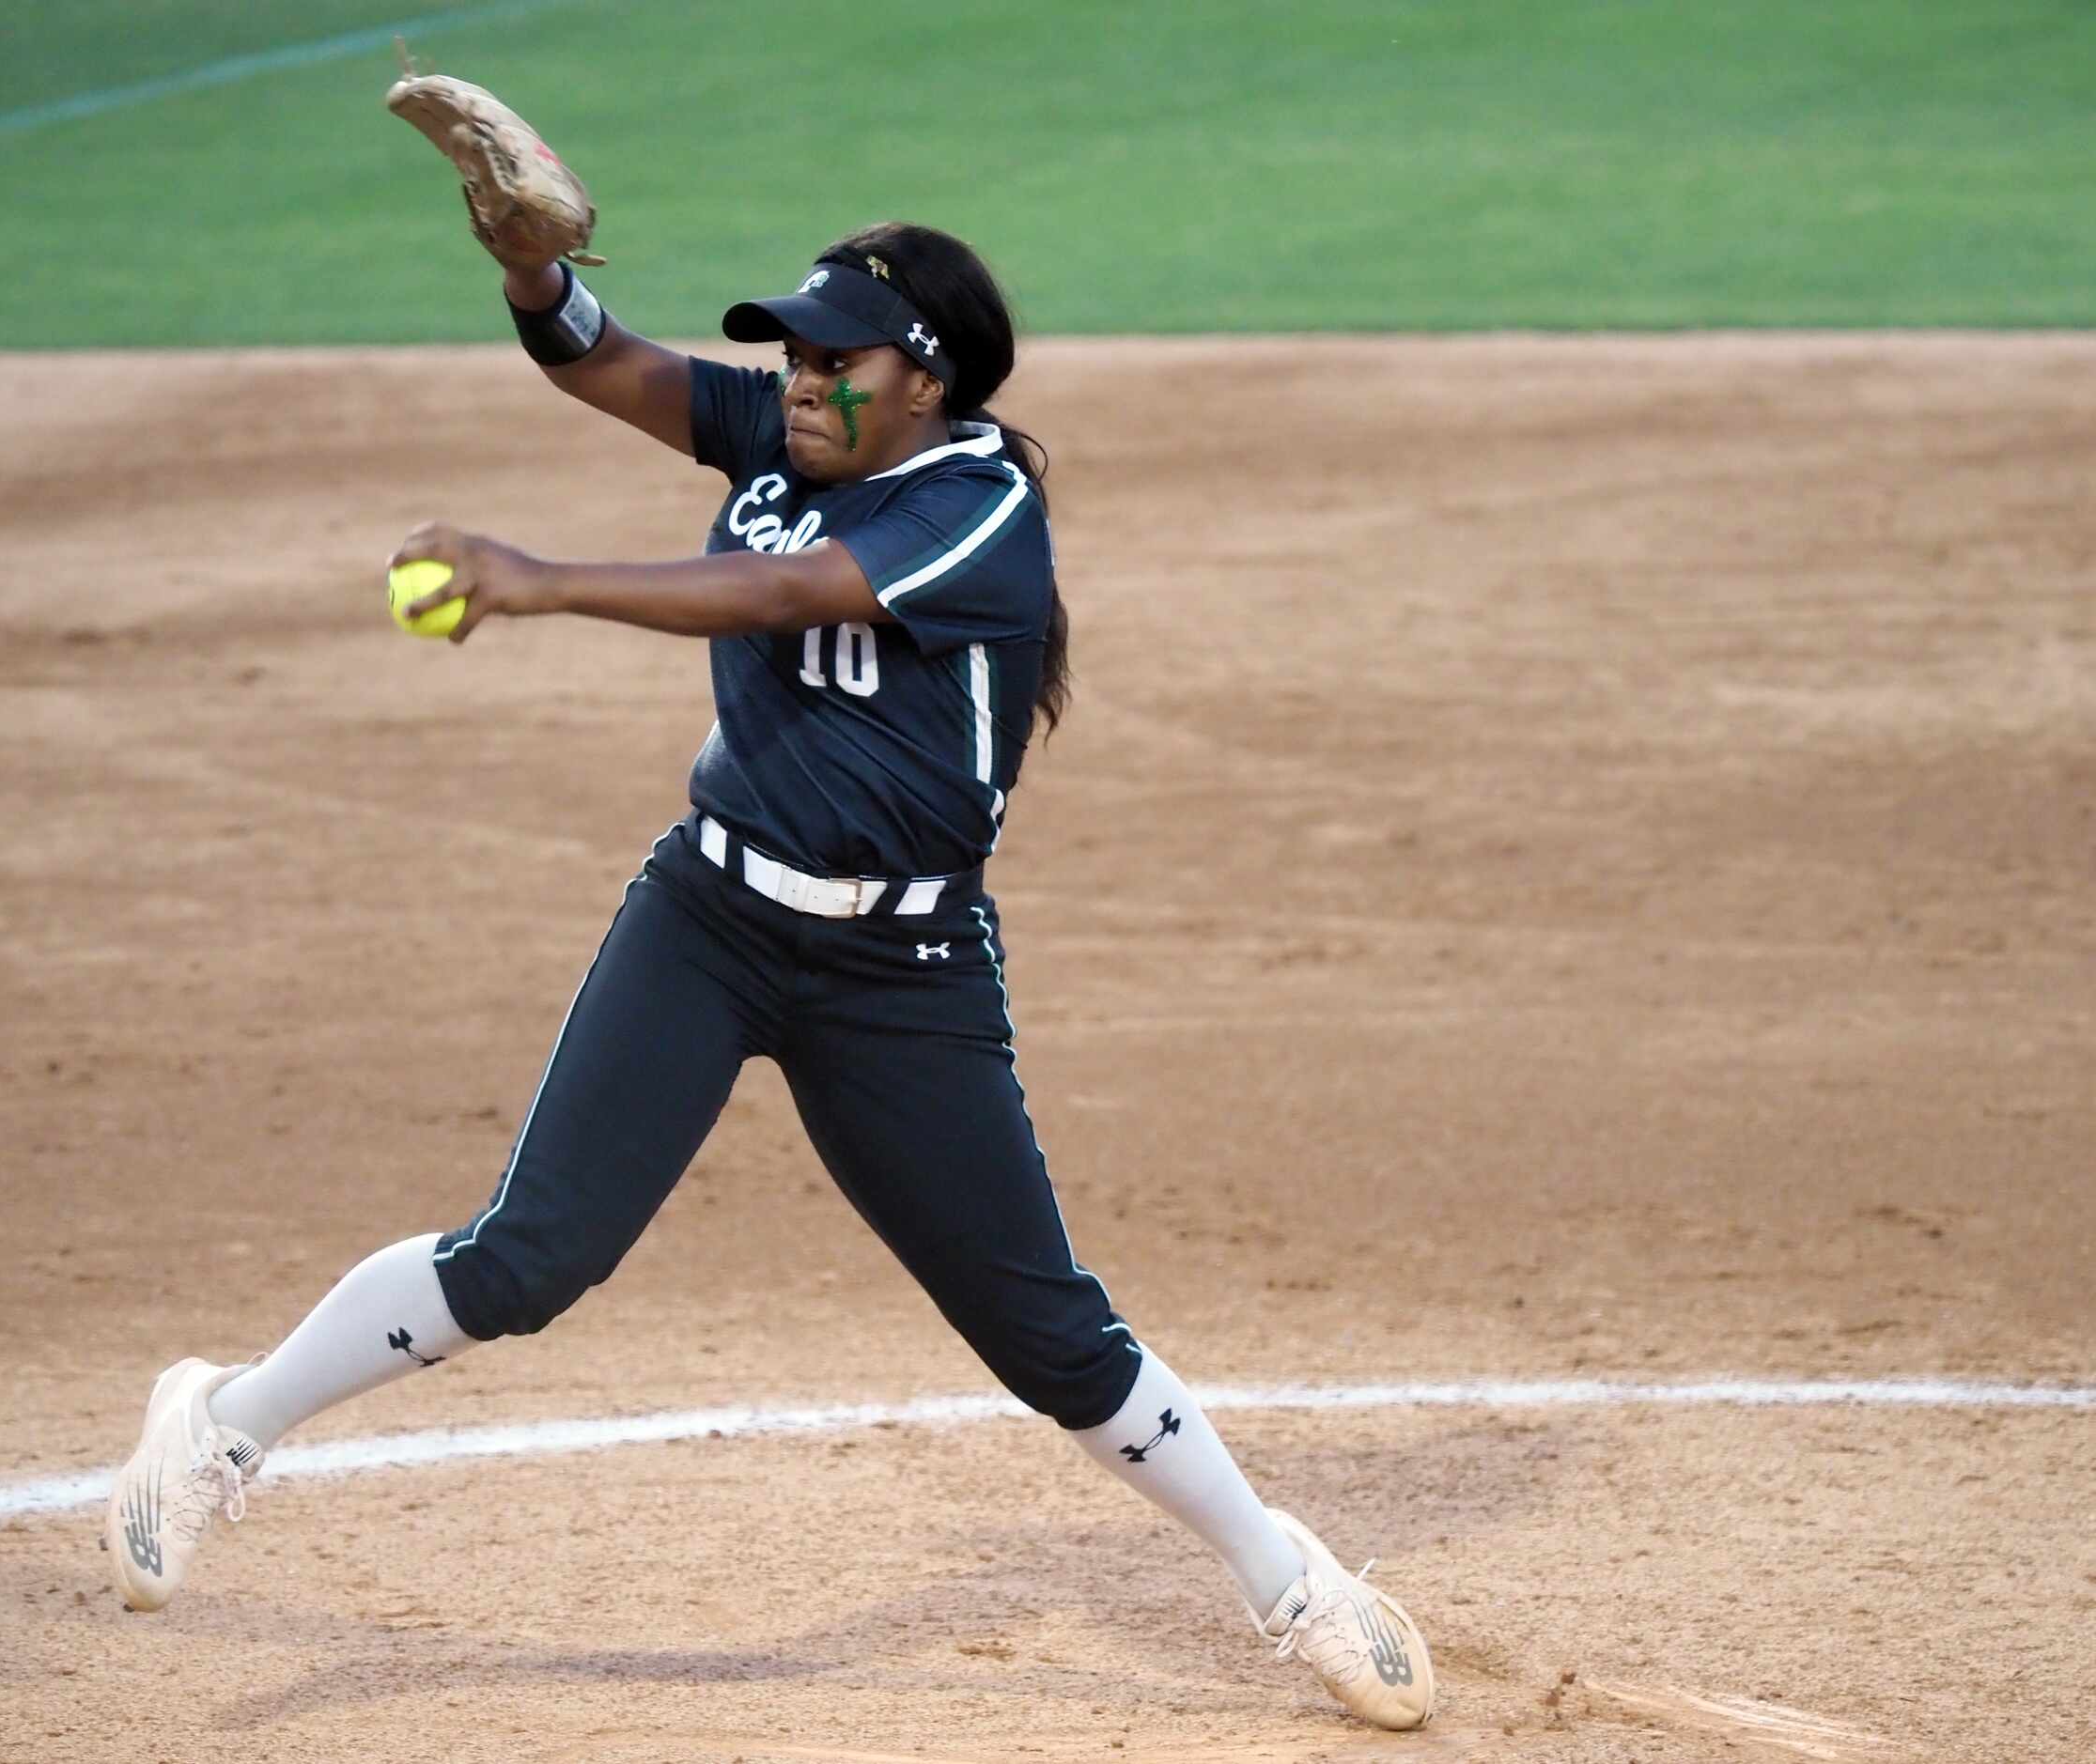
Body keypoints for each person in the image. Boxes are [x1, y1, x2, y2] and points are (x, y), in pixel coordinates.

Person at [101, 219, 1435, 1729]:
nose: (796, 381)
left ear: (925, 381)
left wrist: (539, 580)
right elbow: (600, 362)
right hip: (712, 921)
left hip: (902, 968)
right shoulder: (782, 431)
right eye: (788, 353)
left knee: (1046, 1330)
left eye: (834, 358)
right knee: (527, 1260)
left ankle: (1286, 1578)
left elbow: (790, 598)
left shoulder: (977, 507)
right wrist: (535, 275)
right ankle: (217, 1424)